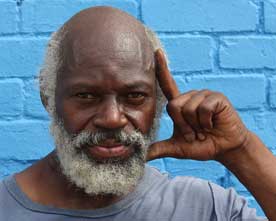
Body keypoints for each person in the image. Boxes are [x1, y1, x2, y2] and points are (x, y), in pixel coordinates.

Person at [0, 6, 274, 221]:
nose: (112, 118)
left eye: (134, 96)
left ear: (158, 100)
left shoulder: (206, 209)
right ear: (47, 98)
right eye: (85, 96)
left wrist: (241, 149)